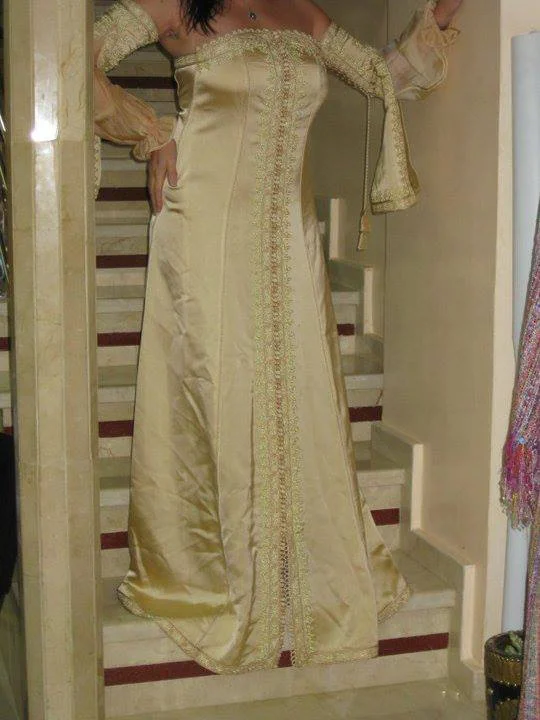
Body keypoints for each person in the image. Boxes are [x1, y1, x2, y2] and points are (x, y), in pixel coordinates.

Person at [94, 0, 463, 674]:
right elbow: (72, 63)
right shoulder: (173, 5)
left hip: (289, 238)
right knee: (215, 390)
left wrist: (439, 14)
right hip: (202, 223)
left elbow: (382, 75)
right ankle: (213, 571)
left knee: (298, 397)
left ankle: (297, 569)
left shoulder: (302, 12)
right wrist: (152, 133)